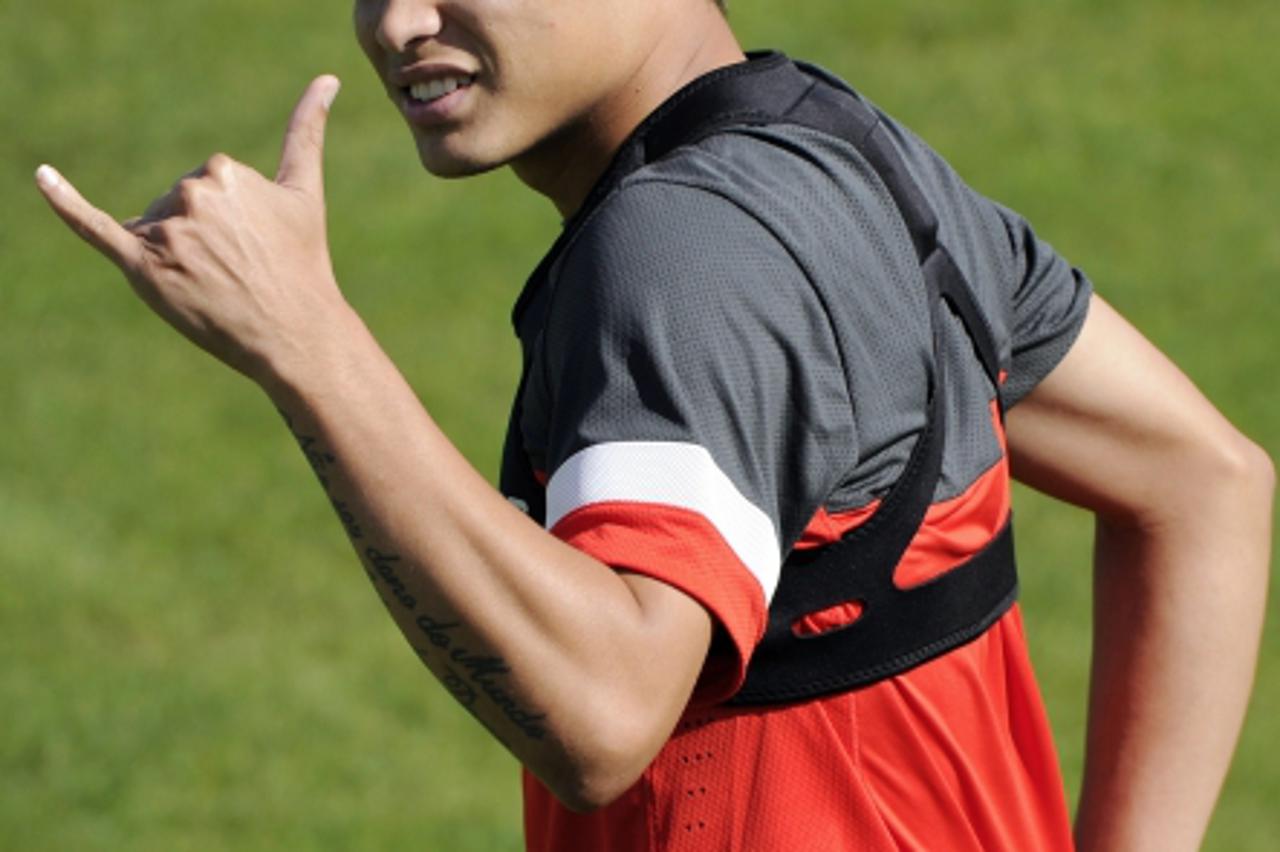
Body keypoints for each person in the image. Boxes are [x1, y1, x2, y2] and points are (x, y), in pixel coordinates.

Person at [35, 0, 1273, 849]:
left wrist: (307, 345)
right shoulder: (843, 154)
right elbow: (1202, 481)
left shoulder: (677, 256)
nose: (398, 21)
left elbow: (603, 714)